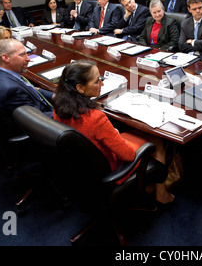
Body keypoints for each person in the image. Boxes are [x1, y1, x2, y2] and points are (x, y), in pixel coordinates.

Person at [52, 60, 175, 204]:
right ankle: (161, 194)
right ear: (80, 88)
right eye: (97, 81)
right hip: (109, 169)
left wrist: (111, 133)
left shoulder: (58, 105)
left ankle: (148, 186)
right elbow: (128, 155)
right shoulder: (95, 118)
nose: (102, 84)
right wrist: (114, 134)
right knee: (157, 141)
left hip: (80, 168)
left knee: (134, 133)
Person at [0, 39, 54, 117]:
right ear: (6, 58)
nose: (28, 59)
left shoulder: (3, 73)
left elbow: (33, 89)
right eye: (22, 55)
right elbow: (36, 119)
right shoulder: (11, 89)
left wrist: (54, 96)